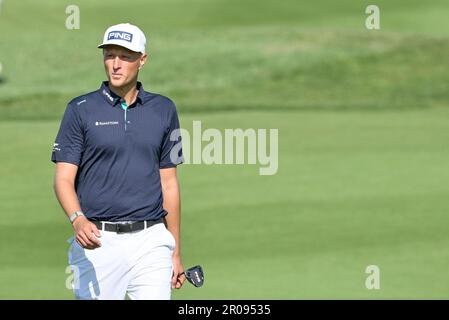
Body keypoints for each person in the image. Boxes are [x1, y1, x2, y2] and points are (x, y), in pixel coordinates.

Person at [51, 23, 185, 300]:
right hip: (98, 242)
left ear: (142, 60)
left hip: (151, 241)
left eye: (125, 56)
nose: (115, 64)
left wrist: (175, 251)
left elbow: (169, 184)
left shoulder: (164, 109)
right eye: (109, 55)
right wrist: (77, 219)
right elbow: (63, 179)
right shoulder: (80, 110)